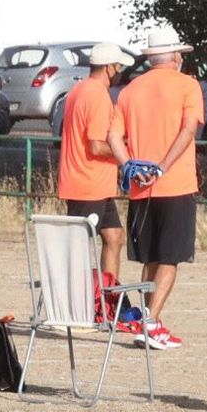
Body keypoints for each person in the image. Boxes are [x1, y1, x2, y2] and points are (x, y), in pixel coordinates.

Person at [108, 25, 204, 350]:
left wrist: (129, 166)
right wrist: (162, 166)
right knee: (170, 258)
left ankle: (150, 321)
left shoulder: (130, 90)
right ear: (175, 56)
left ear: (151, 59)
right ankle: (150, 323)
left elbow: (113, 137)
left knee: (150, 258)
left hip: (141, 190)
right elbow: (188, 130)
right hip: (175, 185)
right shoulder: (188, 85)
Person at [57, 42, 135, 284]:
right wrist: (126, 153)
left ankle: (107, 293)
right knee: (79, 246)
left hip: (93, 184)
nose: (120, 72)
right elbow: (96, 146)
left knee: (115, 237)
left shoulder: (79, 89)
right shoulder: (98, 95)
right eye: (118, 66)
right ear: (109, 68)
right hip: (88, 183)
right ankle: (76, 298)